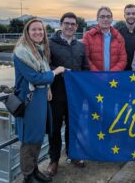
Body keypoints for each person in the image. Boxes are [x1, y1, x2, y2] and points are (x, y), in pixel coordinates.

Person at [13, 18, 65, 183]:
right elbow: (35, 78)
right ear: (27, 32)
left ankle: (34, 171)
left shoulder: (38, 50)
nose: (37, 32)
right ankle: (28, 176)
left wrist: (48, 88)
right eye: (34, 30)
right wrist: (55, 73)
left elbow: (41, 73)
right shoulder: (22, 53)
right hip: (29, 103)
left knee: (36, 138)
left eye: (40, 30)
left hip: (39, 100)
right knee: (29, 140)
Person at [46, 13, 89, 176]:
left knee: (74, 127)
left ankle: (73, 154)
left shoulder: (80, 46)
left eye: (73, 24)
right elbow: (46, 66)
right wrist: (59, 72)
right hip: (56, 94)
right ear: (61, 25)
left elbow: (85, 69)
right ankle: (54, 160)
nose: (70, 26)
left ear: (77, 27)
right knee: (55, 128)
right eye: (67, 23)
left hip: (75, 96)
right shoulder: (50, 44)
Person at [83, 6, 127, 71]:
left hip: (113, 79)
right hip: (94, 77)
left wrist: (110, 74)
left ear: (112, 19)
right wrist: (98, 74)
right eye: (102, 16)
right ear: (97, 19)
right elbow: (86, 58)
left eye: (108, 16)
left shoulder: (119, 37)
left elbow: (123, 60)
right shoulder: (88, 36)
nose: (105, 19)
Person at [118, 4, 135, 70]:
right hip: (123, 72)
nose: (131, 16)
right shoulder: (118, 33)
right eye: (128, 14)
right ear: (124, 16)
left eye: (133, 13)